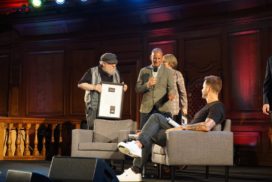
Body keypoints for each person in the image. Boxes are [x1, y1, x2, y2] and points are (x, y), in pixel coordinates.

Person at [117, 75, 225, 181]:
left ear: (209, 88)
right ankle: (135, 168)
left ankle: (136, 151)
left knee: (155, 119)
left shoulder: (217, 106)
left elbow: (206, 126)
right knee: (151, 130)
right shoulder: (209, 106)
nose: (202, 89)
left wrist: (184, 128)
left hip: (188, 137)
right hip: (185, 134)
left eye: (203, 87)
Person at [78, 52, 127, 129]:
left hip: (111, 108)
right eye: (111, 64)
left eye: (115, 63)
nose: (114, 65)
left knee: (111, 131)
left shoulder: (116, 72)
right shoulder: (92, 71)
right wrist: (94, 87)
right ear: (103, 63)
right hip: (95, 109)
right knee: (94, 130)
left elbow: (122, 83)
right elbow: (81, 84)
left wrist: (124, 86)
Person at [136, 48, 176, 128]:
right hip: (147, 108)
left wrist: (171, 93)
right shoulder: (143, 71)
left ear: (162, 58)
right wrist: (147, 84)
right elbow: (137, 88)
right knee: (143, 133)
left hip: (163, 107)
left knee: (164, 134)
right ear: (150, 57)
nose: (156, 60)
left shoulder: (168, 71)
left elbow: (172, 88)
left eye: (159, 58)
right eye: (154, 58)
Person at [163, 54, 188, 123]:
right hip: (162, 107)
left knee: (172, 128)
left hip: (173, 107)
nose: (161, 64)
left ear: (170, 62)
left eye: (164, 62)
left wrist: (184, 107)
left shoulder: (177, 74)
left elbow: (183, 92)